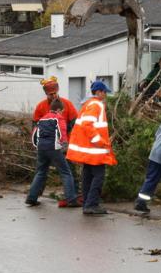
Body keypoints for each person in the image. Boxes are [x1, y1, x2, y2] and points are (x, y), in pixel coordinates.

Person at [66, 81, 117, 215]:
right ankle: (91, 204)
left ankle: (87, 205)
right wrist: (98, 141)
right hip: (95, 150)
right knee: (98, 177)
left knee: (87, 176)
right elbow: (87, 125)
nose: (105, 94)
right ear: (99, 92)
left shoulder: (88, 105)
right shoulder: (96, 105)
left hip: (88, 150)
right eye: (105, 92)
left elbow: (85, 125)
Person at [32, 76, 80, 206]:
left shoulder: (67, 104)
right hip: (52, 145)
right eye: (50, 94)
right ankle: (70, 198)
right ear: (46, 93)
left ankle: (73, 194)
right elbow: (35, 126)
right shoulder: (41, 106)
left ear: (58, 91)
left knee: (69, 169)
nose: (53, 96)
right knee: (45, 171)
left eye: (54, 93)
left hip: (63, 144)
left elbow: (75, 122)